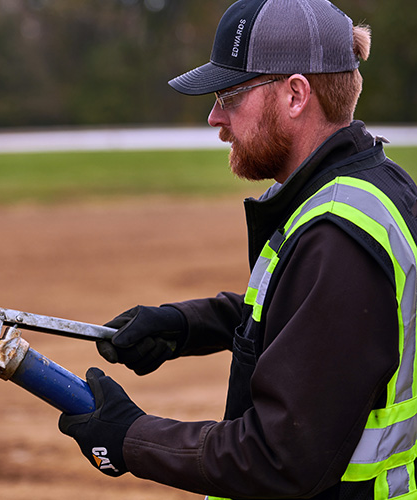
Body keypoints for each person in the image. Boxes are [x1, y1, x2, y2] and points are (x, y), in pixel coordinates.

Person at [58, 0, 417, 499]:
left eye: (230, 95)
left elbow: (278, 458)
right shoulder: (367, 187)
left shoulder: (338, 236)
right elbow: (306, 318)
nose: (214, 117)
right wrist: (186, 326)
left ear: (296, 95)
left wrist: (130, 436)